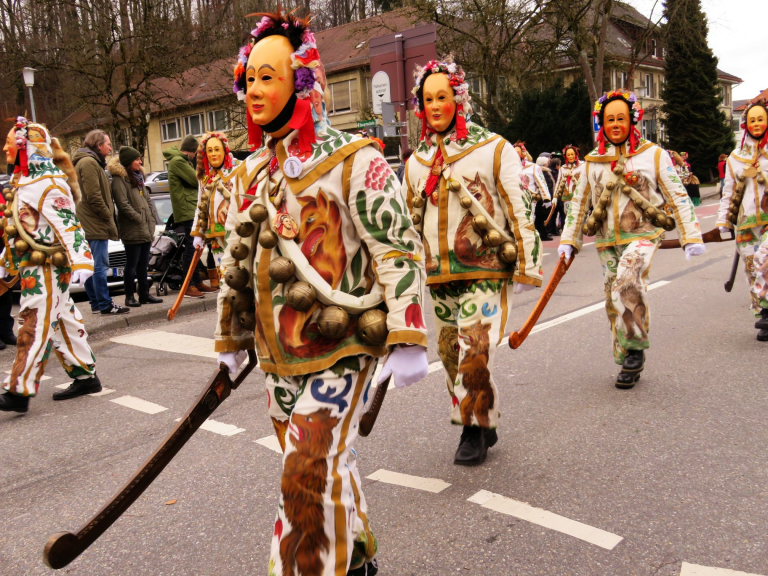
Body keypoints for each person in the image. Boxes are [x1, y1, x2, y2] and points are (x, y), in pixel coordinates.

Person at [218, 12, 429, 575]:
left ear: (301, 79)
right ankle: (356, 554)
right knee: (326, 461)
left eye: (269, 76)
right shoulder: (248, 175)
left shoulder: (355, 159)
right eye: (250, 78)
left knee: (305, 474)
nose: (255, 90)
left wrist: (408, 335)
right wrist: (230, 332)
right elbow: (237, 258)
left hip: (343, 346)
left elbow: (397, 246)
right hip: (276, 358)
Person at [403, 57, 542, 466]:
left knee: (473, 350)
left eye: (442, 97)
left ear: (458, 99)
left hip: (486, 270)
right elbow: (409, 225)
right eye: (427, 99)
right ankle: (485, 418)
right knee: (449, 354)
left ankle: (472, 429)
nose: (434, 106)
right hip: (438, 276)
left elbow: (519, 207)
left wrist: (526, 262)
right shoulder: (415, 163)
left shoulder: (494, 149)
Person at [558, 91, 704, 388]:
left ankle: (635, 349)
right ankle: (626, 357)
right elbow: (577, 205)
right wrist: (568, 241)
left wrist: (691, 236)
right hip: (605, 241)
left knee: (627, 280)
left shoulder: (654, 155)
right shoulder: (591, 163)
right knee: (613, 299)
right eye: (609, 119)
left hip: (643, 235)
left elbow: (677, 194)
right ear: (601, 122)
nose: (615, 124)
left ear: (632, 120)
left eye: (620, 118)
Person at [0, 117, 102, 413]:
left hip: (47, 269)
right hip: (34, 266)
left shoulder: (48, 183)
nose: (5, 148)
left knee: (34, 323)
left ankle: (19, 390)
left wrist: (83, 260)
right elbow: (20, 228)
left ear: (26, 147)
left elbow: (69, 225)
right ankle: (85, 375)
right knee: (64, 319)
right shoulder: (26, 181)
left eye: (9, 143)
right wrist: (6, 263)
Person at [716, 98, 768, 341]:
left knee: (764, 260)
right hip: (745, 221)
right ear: (746, 124)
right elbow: (728, 191)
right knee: (751, 268)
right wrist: (723, 222)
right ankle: (765, 312)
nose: (756, 123)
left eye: (761, 119)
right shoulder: (736, 157)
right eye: (752, 120)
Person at [72, 129, 128, 315]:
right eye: (108, 143)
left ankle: (96, 303)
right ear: (98, 145)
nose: (111, 147)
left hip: (90, 220)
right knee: (100, 266)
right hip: (94, 222)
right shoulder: (88, 163)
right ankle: (104, 304)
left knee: (91, 265)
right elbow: (94, 195)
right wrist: (107, 215)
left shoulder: (90, 161)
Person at [108, 146, 163, 308]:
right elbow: (123, 204)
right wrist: (139, 218)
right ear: (128, 162)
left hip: (145, 227)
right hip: (132, 229)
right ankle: (129, 296)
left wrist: (151, 219)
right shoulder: (119, 180)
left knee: (143, 263)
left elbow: (147, 200)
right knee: (131, 264)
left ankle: (144, 294)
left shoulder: (138, 179)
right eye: (137, 159)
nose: (140, 162)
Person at [164, 135, 217, 299]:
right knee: (191, 248)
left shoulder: (181, 161)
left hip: (190, 208)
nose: (196, 157)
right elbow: (196, 180)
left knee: (197, 247)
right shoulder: (178, 162)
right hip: (187, 210)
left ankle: (196, 281)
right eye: (197, 153)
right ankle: (188, 286)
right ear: (192, 151)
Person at [191, 132, 241, 282]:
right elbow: (200, 207)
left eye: (217, 149)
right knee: (224, 276)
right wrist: (198, 234)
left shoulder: (239, 169)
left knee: (240, 273)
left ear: (225, 150)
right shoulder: (205, 177)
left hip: (238, 233)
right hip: (215, 236)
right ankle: (227, 302)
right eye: (210, 150)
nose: (213, 154)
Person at [515, 141, 552, 241]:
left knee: (528, 221)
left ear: (523, 153)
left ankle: (530, 241)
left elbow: (541, 182)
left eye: (518, 152)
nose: (516, 154)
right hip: (514, 199)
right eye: (514, 152)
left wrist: (547, 198)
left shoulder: (533, 167)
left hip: (530, 200)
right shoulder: (510, 167)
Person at [552, 144, 584, 236]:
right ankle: (569, 235)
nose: (570, 156)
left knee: (576, 216)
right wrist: (555, 196)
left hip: (578, 195)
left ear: (576, 154)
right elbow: (558, 182)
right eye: (568, 155)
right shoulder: (563, 168)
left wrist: (573, 177)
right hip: (566, 197)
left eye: (572, 154)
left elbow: (585, 181)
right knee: (568, 216)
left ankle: (576, 234)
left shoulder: (582, 165)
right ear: (565, 156)